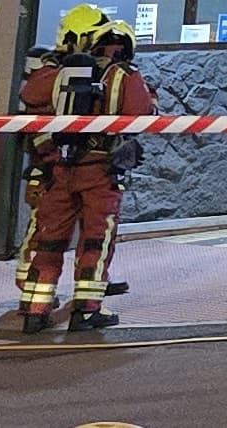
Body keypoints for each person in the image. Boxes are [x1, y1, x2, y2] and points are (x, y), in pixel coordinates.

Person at [16, 20, 157, 331]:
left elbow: (30, 93)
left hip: (61, 167)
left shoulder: (64, 72)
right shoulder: (125, 76)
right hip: (101, 169)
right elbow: (143, 114)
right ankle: (88, 310)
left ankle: (35, 310)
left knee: (50, 239)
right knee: (96, 239)